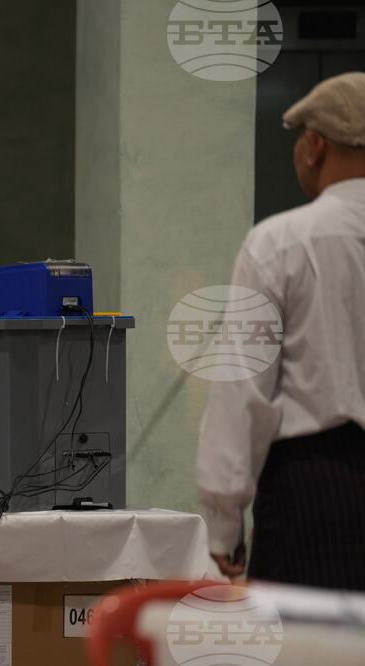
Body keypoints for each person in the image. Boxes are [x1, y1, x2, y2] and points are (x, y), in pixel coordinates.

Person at [197, 72, 365, 589]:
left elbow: (245, 390)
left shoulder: (281, 243)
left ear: (314, 145)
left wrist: (224, 522)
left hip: (317, 492)